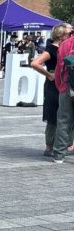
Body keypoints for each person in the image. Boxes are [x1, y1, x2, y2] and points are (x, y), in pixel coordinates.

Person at [33, 24, 74, 157]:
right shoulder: (51, 48)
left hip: (63, 81)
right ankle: (49, 146)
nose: (71, 34)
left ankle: (64, 144)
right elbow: (35, 63)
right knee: (53, 115)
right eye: (69, 32)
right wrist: (49, 75)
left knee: (64, 114)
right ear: (61, 35)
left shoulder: (66, 46)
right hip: (54, 83)